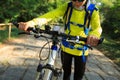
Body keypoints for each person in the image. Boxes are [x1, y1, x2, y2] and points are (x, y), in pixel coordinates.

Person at [18, 0, 102, 80]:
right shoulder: (67, 6)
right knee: (66, 74)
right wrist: (31, 23)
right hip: (66, 47)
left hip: (81, 50)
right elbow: (50, 15)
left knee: (78, 76)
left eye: (80, 0)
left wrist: (94, 35)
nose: (76, 2)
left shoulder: (93, 10)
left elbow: (97, 28)